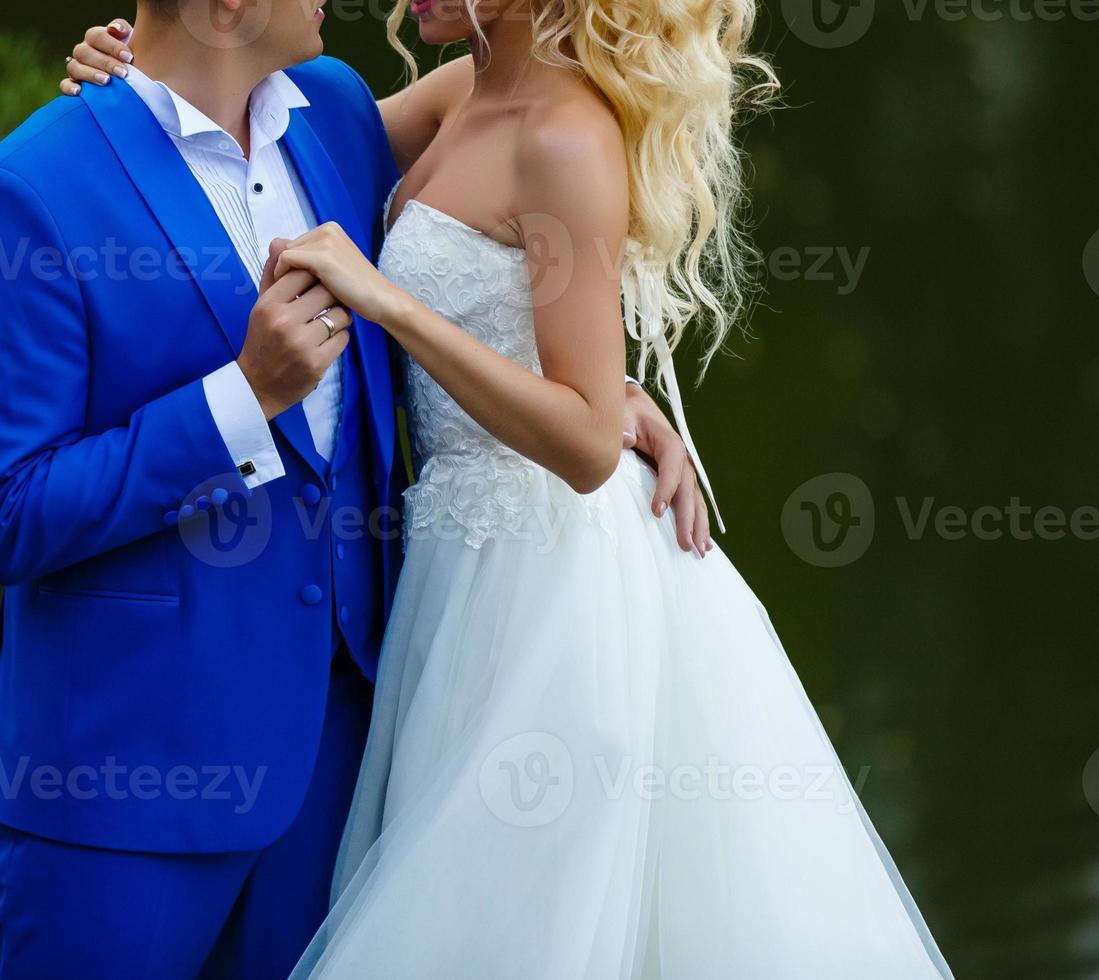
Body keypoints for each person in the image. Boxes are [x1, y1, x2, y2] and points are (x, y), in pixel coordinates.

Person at [61, 1, 955, 976]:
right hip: (445, 568)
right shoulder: (458, 93)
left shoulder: (567, 138)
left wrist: (388, 302)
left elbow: (581, 447)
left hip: (548, 589)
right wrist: (140, 75)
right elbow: (268, 154)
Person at [0, 1, 699, 976]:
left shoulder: (337, 114)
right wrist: (243, 399)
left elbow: (493, 226)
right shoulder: (26, 193)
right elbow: (6, 514)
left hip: (346, 764)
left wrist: (604, 392)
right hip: (120, 789)